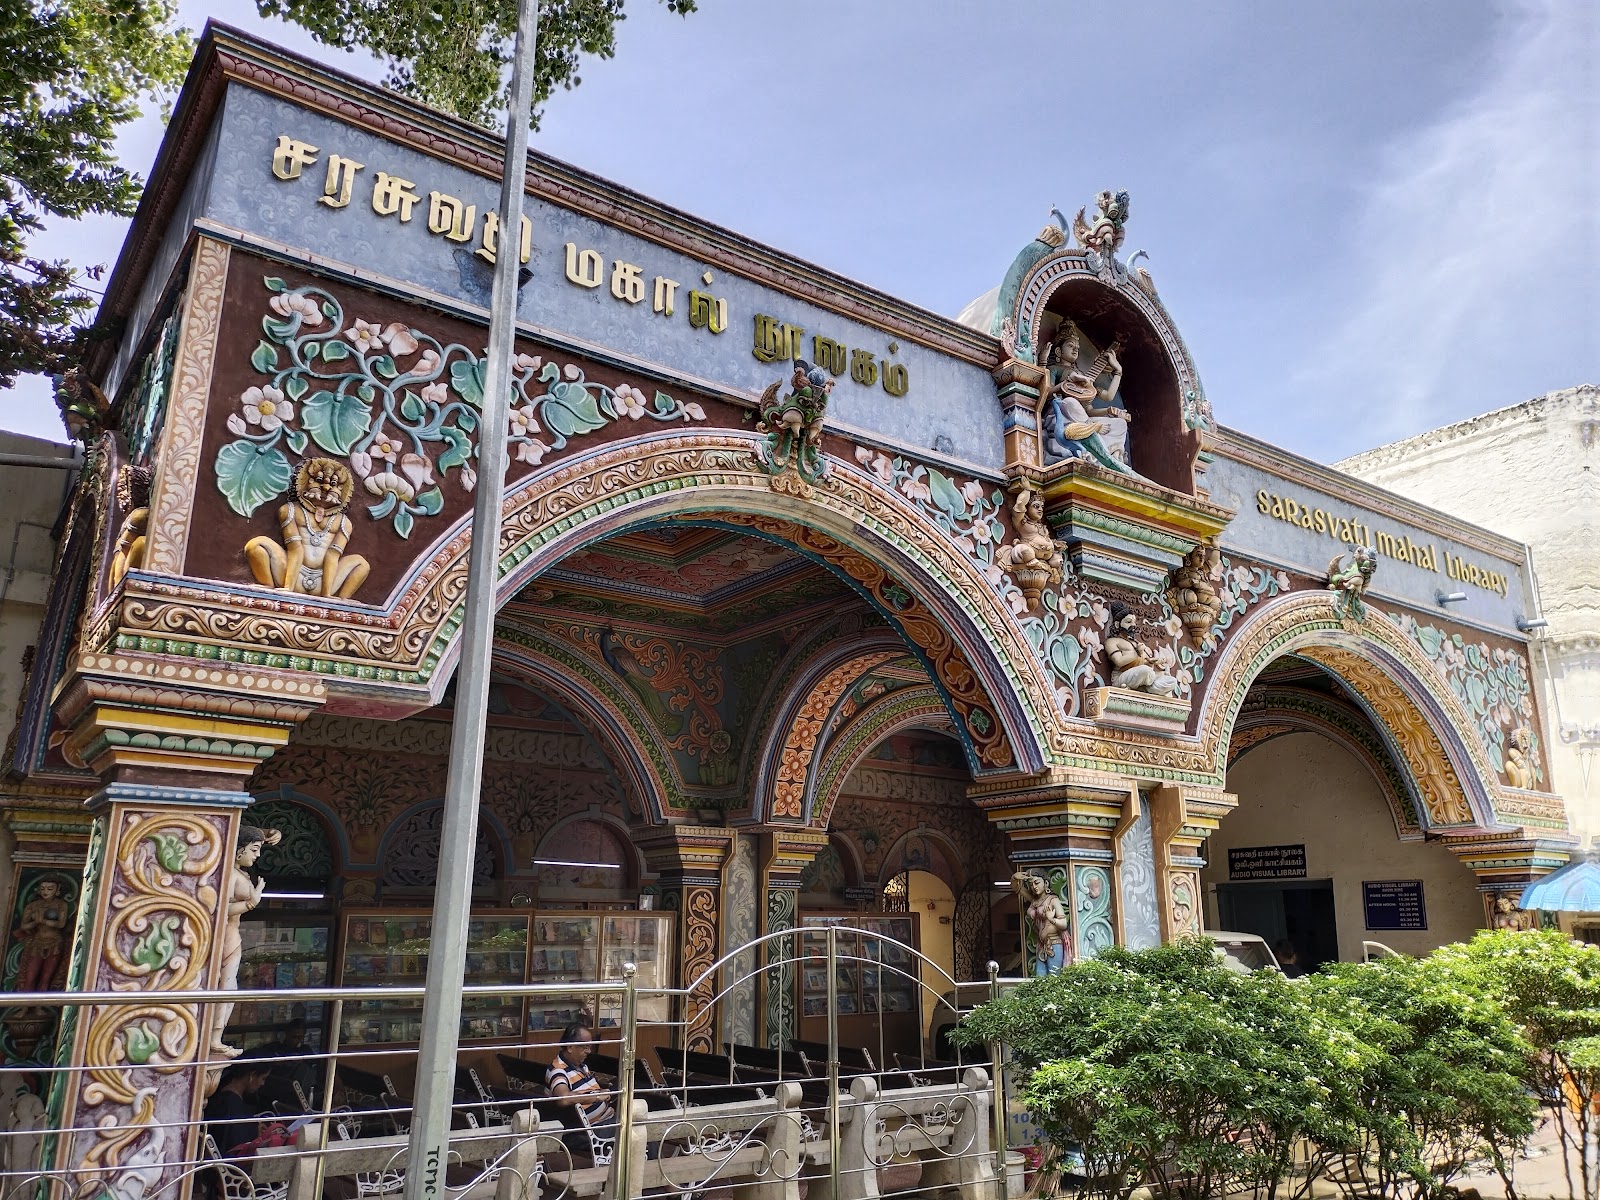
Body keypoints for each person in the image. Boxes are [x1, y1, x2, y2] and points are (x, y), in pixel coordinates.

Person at [546, 1023, 615, 1157]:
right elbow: (563, 1099)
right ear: (570, 1047)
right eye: (585, 1047)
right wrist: (596, 1097)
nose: (589, 1051)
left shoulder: (580, 1066)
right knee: (638, 1125)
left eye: (589, 1047)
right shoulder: (558, 1071)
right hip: (590, 1132)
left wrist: (603, 1092)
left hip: (603, 1121)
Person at [204, 1061, 287, 1158]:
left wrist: (252, 1127)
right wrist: (257, 1134)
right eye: (262, 1078)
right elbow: (238, 1146)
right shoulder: (235, 1107)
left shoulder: (220, 1093)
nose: (262, 1083)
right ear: (252, 1075)